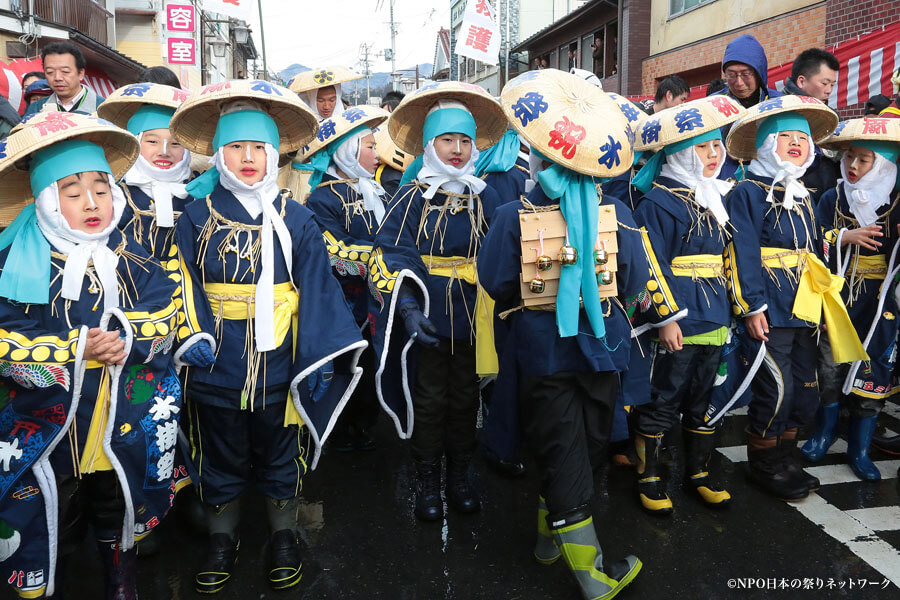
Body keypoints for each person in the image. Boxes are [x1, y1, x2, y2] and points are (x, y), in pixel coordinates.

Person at [0, 111, 210, 599]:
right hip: (53, 418)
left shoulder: (131, 254)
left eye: (100, 188)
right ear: (46, 203)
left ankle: (121, 580)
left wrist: (124, 336)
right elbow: (6, 333)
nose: (90, 203)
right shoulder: (17, 263)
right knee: (57, 504)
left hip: (124, 411)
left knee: (116, 499)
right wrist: (75, 348)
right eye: (71, 193)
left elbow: (166, 311)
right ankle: (55, 579)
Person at [169, 79, 366, 594]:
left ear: (276, 153)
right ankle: (221, 537)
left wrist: (318, 357)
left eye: (260, 147)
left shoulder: (297, 218)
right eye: (236, 147)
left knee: (282, 446)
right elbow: (181, 283)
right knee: (221, 447)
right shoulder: (196, 217)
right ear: (218, 154)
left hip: (281, 357)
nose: (249, 157)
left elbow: (320, 287)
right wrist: (193, 337)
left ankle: (283, 533)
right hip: (216, 359)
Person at [479, 68, 653, 599]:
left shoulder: (513, 214)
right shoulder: (614, 211)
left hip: (540, 351)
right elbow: (635, 282)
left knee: (561, 448)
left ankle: (550, 541)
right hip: (602, 350)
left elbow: (496, 281)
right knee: (581, 450)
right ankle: (594, 577)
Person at [368, 82, 506, 522]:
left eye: (465, 140)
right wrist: (407, 308)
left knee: (466, 400)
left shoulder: (485, 195)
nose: (458, 149)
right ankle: (427, 481)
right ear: (430, 144)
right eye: (447, 139)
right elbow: (389, 254)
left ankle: (459, 478)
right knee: (428, 400)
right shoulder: (411, 197)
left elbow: (504, 250)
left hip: (473, 316)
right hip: (426, 315)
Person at [723, 95, 864, 501]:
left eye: (802, 137)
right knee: (775, 386)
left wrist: (823, 304)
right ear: (767, 144)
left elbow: (816, 250)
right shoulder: (747, 192)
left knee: (805, 386)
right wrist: (751, 307)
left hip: (804, 307)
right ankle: (764, 461)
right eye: (786, 137)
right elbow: (741, 251)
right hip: (769, 308)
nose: (797, 144)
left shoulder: (802, 193)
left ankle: (785, 456)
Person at [629, 95, 748, 514]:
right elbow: (647, 263)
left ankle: (697, 472)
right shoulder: (658, 202)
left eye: (717, 145)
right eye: (703, 147)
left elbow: (734, 256)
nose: (714, 154)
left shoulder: (717, 195)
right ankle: (649, 476)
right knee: (664, 395)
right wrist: (664, 318)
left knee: (704, 397)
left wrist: (743, 308)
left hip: (717, 316)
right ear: (679, 152)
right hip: (680, 319)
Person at [802, 118, 900, 481]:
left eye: (865, 160)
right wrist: (843, 237)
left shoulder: (897, 201)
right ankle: (824, 433)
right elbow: (813, 237)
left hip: (882, 302)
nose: (853, 167)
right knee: (829, 365)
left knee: (875, 368)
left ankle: (859, 449)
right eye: (850, 159)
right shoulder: (833, 196)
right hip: (840, 296)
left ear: (885, 164)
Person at [302, 105, 391, 451]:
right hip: (342, 306)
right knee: (344, 365)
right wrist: (384, 262)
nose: (376, 154)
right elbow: (334, 252)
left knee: (370, 365)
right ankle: (336, 431)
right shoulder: (322, 197)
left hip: (374, 301)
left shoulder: (375, 189)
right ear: (347, 151)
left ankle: (364, 423)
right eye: (369, 146)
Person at [97, 83, 194, 262]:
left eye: (175, 143)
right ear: (135, 143)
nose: (164, 151)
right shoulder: (115, 194)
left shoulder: (197, 193)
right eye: (152, 142)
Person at [25, 42, 104, 115]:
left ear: (80, 74)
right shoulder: (36, 108)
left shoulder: (104, 107)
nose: (57, 78)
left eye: (65, 71)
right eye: (50, 72)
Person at [718, 34, 782, 108]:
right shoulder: (712, 106)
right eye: (731, 75)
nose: (739, 83)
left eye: (745, 74)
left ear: (758, 74)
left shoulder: (780, 104)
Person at [288, 66, 362, 120]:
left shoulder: (347, 117)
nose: (326, 107)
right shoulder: (300, 120)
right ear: (312, 98)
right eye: (320, 101)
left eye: (332, 100)